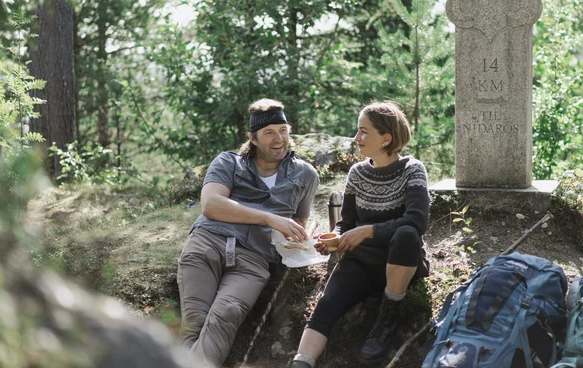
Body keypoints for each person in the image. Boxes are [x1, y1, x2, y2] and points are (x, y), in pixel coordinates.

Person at [176, 98, 319, 366]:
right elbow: (211, 205)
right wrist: (268, 217)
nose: (279, 139)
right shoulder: (228, 162)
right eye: (269, 133)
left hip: (254, 259)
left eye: (284, 131)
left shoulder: (305, 174)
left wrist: (303, 233)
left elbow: (299, 220)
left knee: (226, 314)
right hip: (207, 243)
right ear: (252, 138)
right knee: (194, 322)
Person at [292, 101, 430, 367]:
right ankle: (301, 361)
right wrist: (335, 238)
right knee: (328, 303)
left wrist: (368, 231)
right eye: (358, 131)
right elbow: (347, 222)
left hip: (400, 262)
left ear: (386, 138)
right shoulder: (357, 173)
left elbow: (417, 221)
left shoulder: (413, 170)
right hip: (360, 262)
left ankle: (388, 318)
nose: (357, 138)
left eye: (364, 132)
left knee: (406, 234)